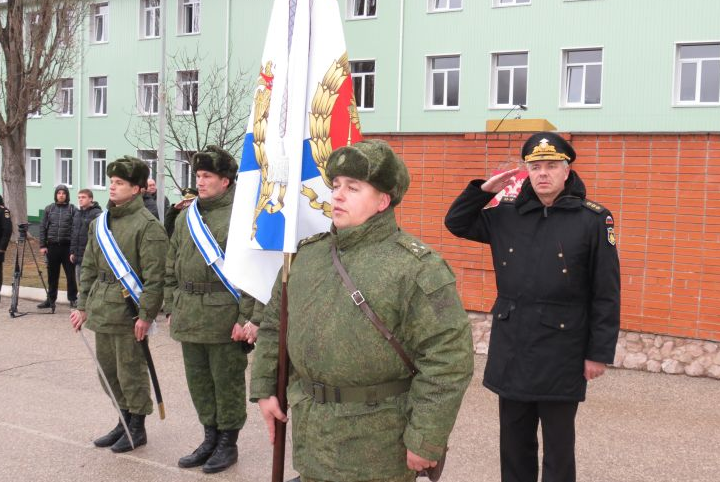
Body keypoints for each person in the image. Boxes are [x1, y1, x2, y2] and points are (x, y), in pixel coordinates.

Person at [252, 139, 474, 482]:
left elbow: (448, 360)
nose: (337, 195)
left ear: (383, 201)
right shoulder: (307, 257)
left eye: (353, 188)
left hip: (378, 445)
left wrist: (426, 439)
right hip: (312, 434)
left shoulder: (417, 267)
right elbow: (273, 325)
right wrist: (266, 387)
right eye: (336, 185)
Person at [444, 132, 621, 482]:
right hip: (513, 347)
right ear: (526, 171)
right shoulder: (507, 214)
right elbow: (457, 223)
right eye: (535, 166)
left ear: (566, 171)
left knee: (557, 450)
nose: (543, 173)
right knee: (513, 446)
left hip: (562, 350)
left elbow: (606, 292)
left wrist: (597, 353)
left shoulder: (592, 220)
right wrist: (484, 191)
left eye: (552, 166)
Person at [165, 146, 262, 474]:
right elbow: (171, 263)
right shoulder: (185, 217)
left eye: (207, 176)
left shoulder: (241, 216)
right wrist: (171, 304)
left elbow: (253, 273)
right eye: (198, 176)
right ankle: (209, 437)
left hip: (224, 314)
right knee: (199, 381)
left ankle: (227, 443)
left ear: (226, 180)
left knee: (227, 382)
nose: (200, 182)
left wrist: (246, 317)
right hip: (190, 312)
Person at [69, 156, 168, 453]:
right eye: (111, 182)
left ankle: (137, 427)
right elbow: (88, 267)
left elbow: (155, 276)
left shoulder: (148, 226)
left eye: (120, 183)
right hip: (102, 307)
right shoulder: (100, 223)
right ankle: (122, 418)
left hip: (128, 312)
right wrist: (82, 305)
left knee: (130, 372)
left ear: (137, 188)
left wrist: (146, 315)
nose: (112, 187)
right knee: (108, 372)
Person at [37, 184, 78, 309]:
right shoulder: (49, 209)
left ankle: (73, 299)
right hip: (52, 247)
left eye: (63, 193)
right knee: (52, 275)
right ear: (56, 195)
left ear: (67, 195)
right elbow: (43, 227)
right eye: (59, 193)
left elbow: (76, 229)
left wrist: (74, 249)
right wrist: (43, 245)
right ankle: (50, 299)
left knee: (70, 275)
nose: (61, 195)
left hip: (67, 248)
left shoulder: (73, 209)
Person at [69, 189, 102, 288]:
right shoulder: (77, 214)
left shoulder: (97, 213)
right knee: (80, 283)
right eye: (79, 197)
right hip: (78, 257)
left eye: (83, 197)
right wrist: (72, 252)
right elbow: (74, 234)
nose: (80, 200)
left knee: (91, 285)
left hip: (91, 257)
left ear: (91, 199)